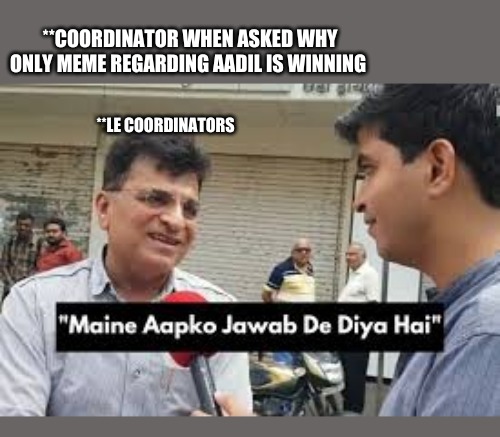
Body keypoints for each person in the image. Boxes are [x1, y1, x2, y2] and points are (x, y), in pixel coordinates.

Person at [0, 134, 252, 416]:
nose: (176, 220)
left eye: (190, 209)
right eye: (156, 199)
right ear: (104, 208)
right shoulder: (34, 305)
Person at [333, 84, 500, 416]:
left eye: (369, 169)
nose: (358, 201)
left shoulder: (483, 334)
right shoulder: (462, 317)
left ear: (437, 168)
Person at [337, 242, 380, 414]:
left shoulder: (369, 274)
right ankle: (347, 409)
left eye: (353, 254)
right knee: (344, 375)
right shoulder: (355, 275)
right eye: (347, 254)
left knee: (354, 377)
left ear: (363, 256)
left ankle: (353, 413)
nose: (348, 257)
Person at [262, 238, 315, 366]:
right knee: (284, 364)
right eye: (299, 250)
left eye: (307, 250)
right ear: (293, 252)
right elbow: (266, 294)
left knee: (300, 363)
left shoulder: (310, 269)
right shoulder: (281, 269)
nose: (303, 253)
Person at [0, 211, 38, 303]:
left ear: (32, 226)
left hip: (29, 289)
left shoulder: (39, 243)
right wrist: (11, 284)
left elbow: (39, 266)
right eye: (20, 225)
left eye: (26, 225)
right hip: (10, 288)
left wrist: (26, 284)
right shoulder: (10, 242)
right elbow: (3, 265)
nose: (22, 228)